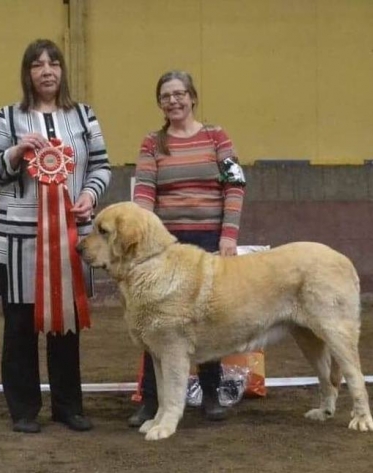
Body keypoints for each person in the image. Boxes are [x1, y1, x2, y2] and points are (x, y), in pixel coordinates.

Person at [0, 39, 112, 434]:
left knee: (66, 324)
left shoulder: (85, 116)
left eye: (53, 63)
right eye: (38, 65)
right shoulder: (6, 117)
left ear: (62, 71)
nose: (47, 70)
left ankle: (68, 407)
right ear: (28, 73)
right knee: (18, 328)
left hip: (72, 237)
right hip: (17, 241)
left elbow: (102, 166)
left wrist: (89, 194)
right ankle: (23, 410)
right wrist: (16, 152)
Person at [130, 70, 246, 427]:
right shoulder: (153, 143)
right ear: (160, 104)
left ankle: (211, 396)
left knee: (208, 319)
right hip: (166, 248)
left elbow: (235, 185)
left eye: (179, 94)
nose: (174, 101)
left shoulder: (217, 136)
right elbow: (144, 194)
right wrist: (144, 237)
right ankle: (151, 401)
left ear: (193, 97)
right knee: (157, 323)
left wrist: (228, 235)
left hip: (210, 241)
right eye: (166, 96)